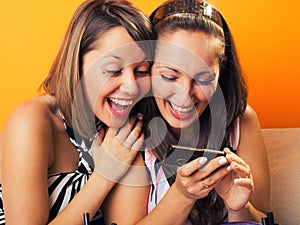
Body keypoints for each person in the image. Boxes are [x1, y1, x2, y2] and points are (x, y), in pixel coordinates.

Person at [102, 0, 270, 224]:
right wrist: (181, 196)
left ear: (221, 74)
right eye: (169, 77)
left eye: (203, 79)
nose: (184, 95)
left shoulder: (241, 122)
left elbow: (262, 218)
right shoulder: (131, 131)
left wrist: (238, 208)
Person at [0, 0, 153, 224]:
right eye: (113, 70)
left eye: (141, 71)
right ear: (77, 64)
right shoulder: (31, 122)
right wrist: (104, 175)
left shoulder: (123, 129)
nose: (131, 86)